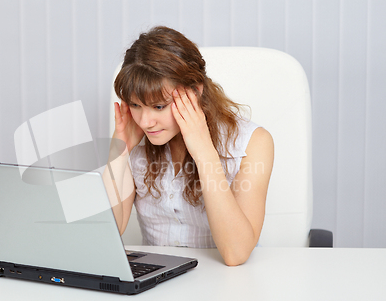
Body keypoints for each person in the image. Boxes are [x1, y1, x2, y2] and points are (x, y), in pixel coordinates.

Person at [103, 26, 274, 266]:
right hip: (158, 284)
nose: (145, 121)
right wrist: (117, 151)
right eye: (135, 105)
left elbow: (235, 253)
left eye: (159, 106)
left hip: (227, 284)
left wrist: (204, 152)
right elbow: (107, 233)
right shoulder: (137, 136)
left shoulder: (252, 142)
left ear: (194, 92)